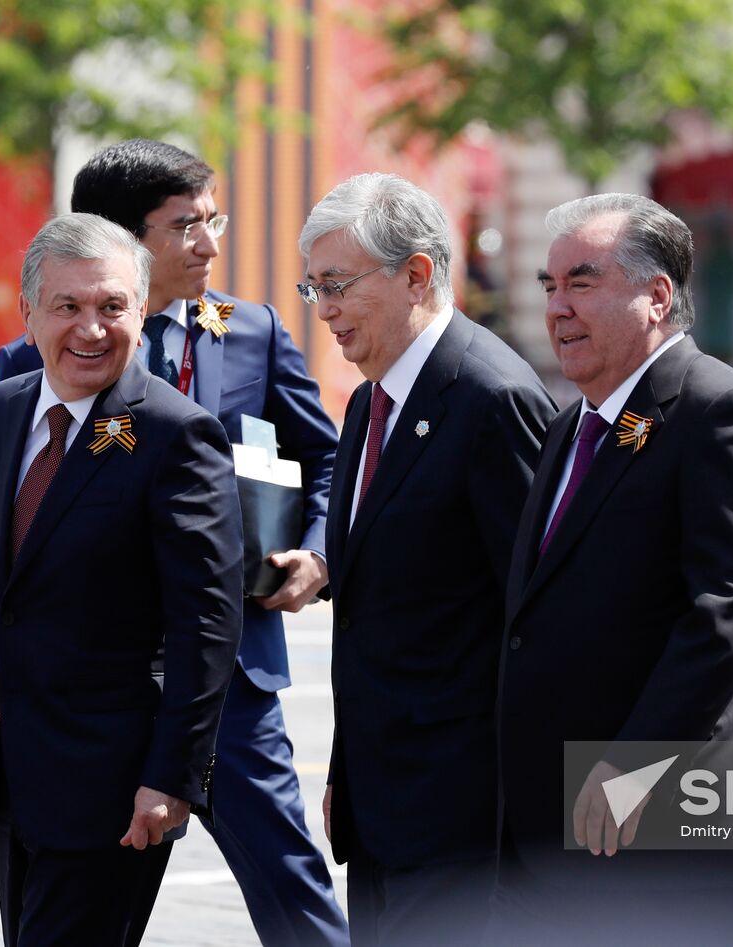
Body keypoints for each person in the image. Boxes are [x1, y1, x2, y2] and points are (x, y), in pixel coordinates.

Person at [0, 140, 347, 946]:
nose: (210, 245)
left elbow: (327, 457)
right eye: (187, 225)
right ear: (119, 237)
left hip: (229, 686)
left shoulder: (248, 330)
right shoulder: (28, 363)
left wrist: (318, 553)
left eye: (212, 221)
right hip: (90, 702)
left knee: (296, 893)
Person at [0, 213, 243, 946]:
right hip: (15, 770)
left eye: (112, 306)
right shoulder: (1, 410)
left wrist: (174, 776)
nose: (91, 328)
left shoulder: (175, 435)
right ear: (28, 313)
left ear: (141, 312)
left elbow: (205, 625)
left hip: (114, 788)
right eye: (68, 307)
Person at [492, 193, 733, 945]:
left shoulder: (723, 410)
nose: (558, 309)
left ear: (657, 295)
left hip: (679, 830)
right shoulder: (573, 422)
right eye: (550, 287)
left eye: (582, 282)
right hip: (560, 832)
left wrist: (634, 763)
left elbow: (729, 610)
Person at [299, 173, 556, 945]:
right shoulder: (367, 400)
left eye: (338, 285)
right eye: (313, 288)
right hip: (385, 800)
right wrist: (352, 766)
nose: (326, 310)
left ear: (416, 273)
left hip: (463, 811)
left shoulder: (489, 397)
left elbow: (536, 615)